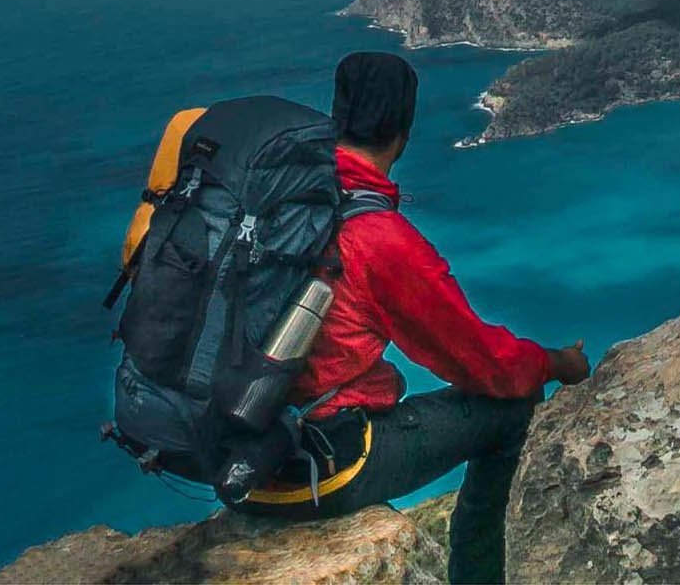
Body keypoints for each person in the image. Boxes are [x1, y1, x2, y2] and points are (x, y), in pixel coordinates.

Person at [238, 51, 592, 584]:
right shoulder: (379, 239)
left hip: (238, 456)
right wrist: (557, 363)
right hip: (318, 466)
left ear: (335, 116)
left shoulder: (272, 203)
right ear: (403, 131)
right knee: (513, 407)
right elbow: (484, 365)